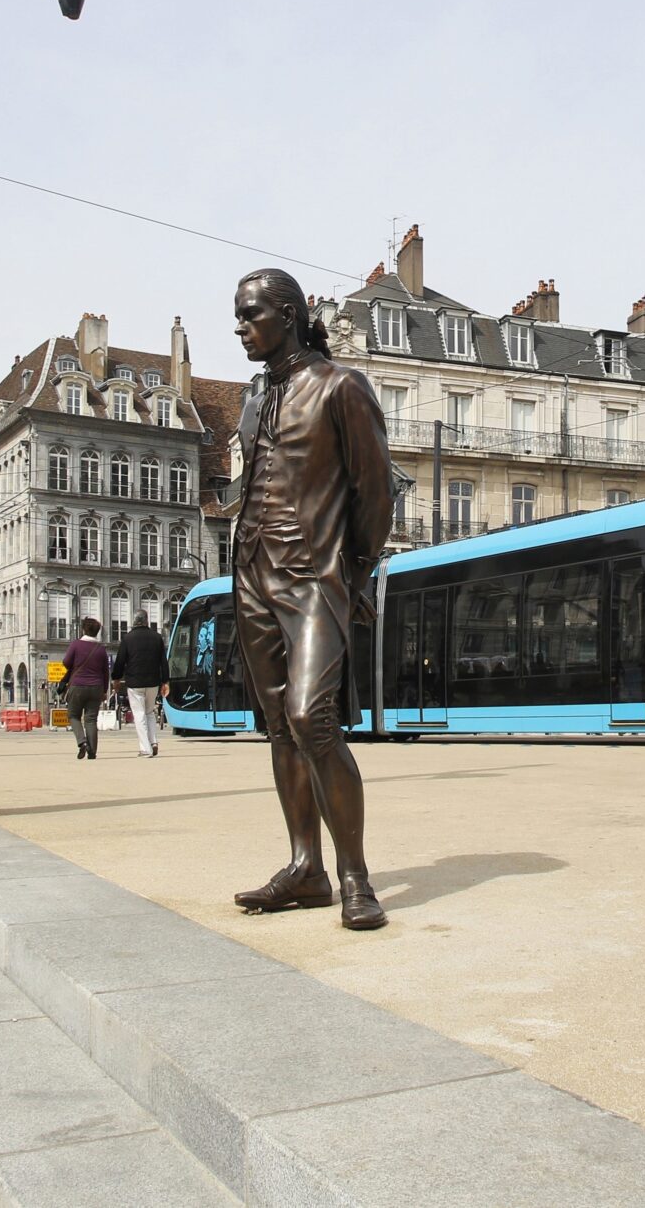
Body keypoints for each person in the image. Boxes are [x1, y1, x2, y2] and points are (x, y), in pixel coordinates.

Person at [228, 267, 394, 930]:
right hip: (252, 574)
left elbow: (375, 489)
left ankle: (355, 876)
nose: (241, 328)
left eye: (251, 315)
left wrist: (358, 571)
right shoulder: (253, 399)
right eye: (237, 317)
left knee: (311, 717)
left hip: (314, 576)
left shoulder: (340, 386)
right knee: (279, 724)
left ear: (289, 314)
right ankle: (306, 868)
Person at [111, 610, 168, 758]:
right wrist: (165, 681)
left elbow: (120, 661)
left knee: (139, 714)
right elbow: (163, 661)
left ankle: (145, 748)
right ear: (147, 620)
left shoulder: (128, 638)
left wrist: (116, 679)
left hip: (135, 682)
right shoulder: (157, 637)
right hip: (153, 682)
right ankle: (153, 741)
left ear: (134, 621)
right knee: (149, 712)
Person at [60, 618, 110, 759]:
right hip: (96, 687)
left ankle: (82, 742)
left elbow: (66, 662)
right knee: (91, 719)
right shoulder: (101, 649)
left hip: (78, 685)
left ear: (83, 629)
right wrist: (104, 691)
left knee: (73, 715)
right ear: (97, 632)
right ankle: (92, 752)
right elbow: (105, 672)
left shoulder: (76, 644)